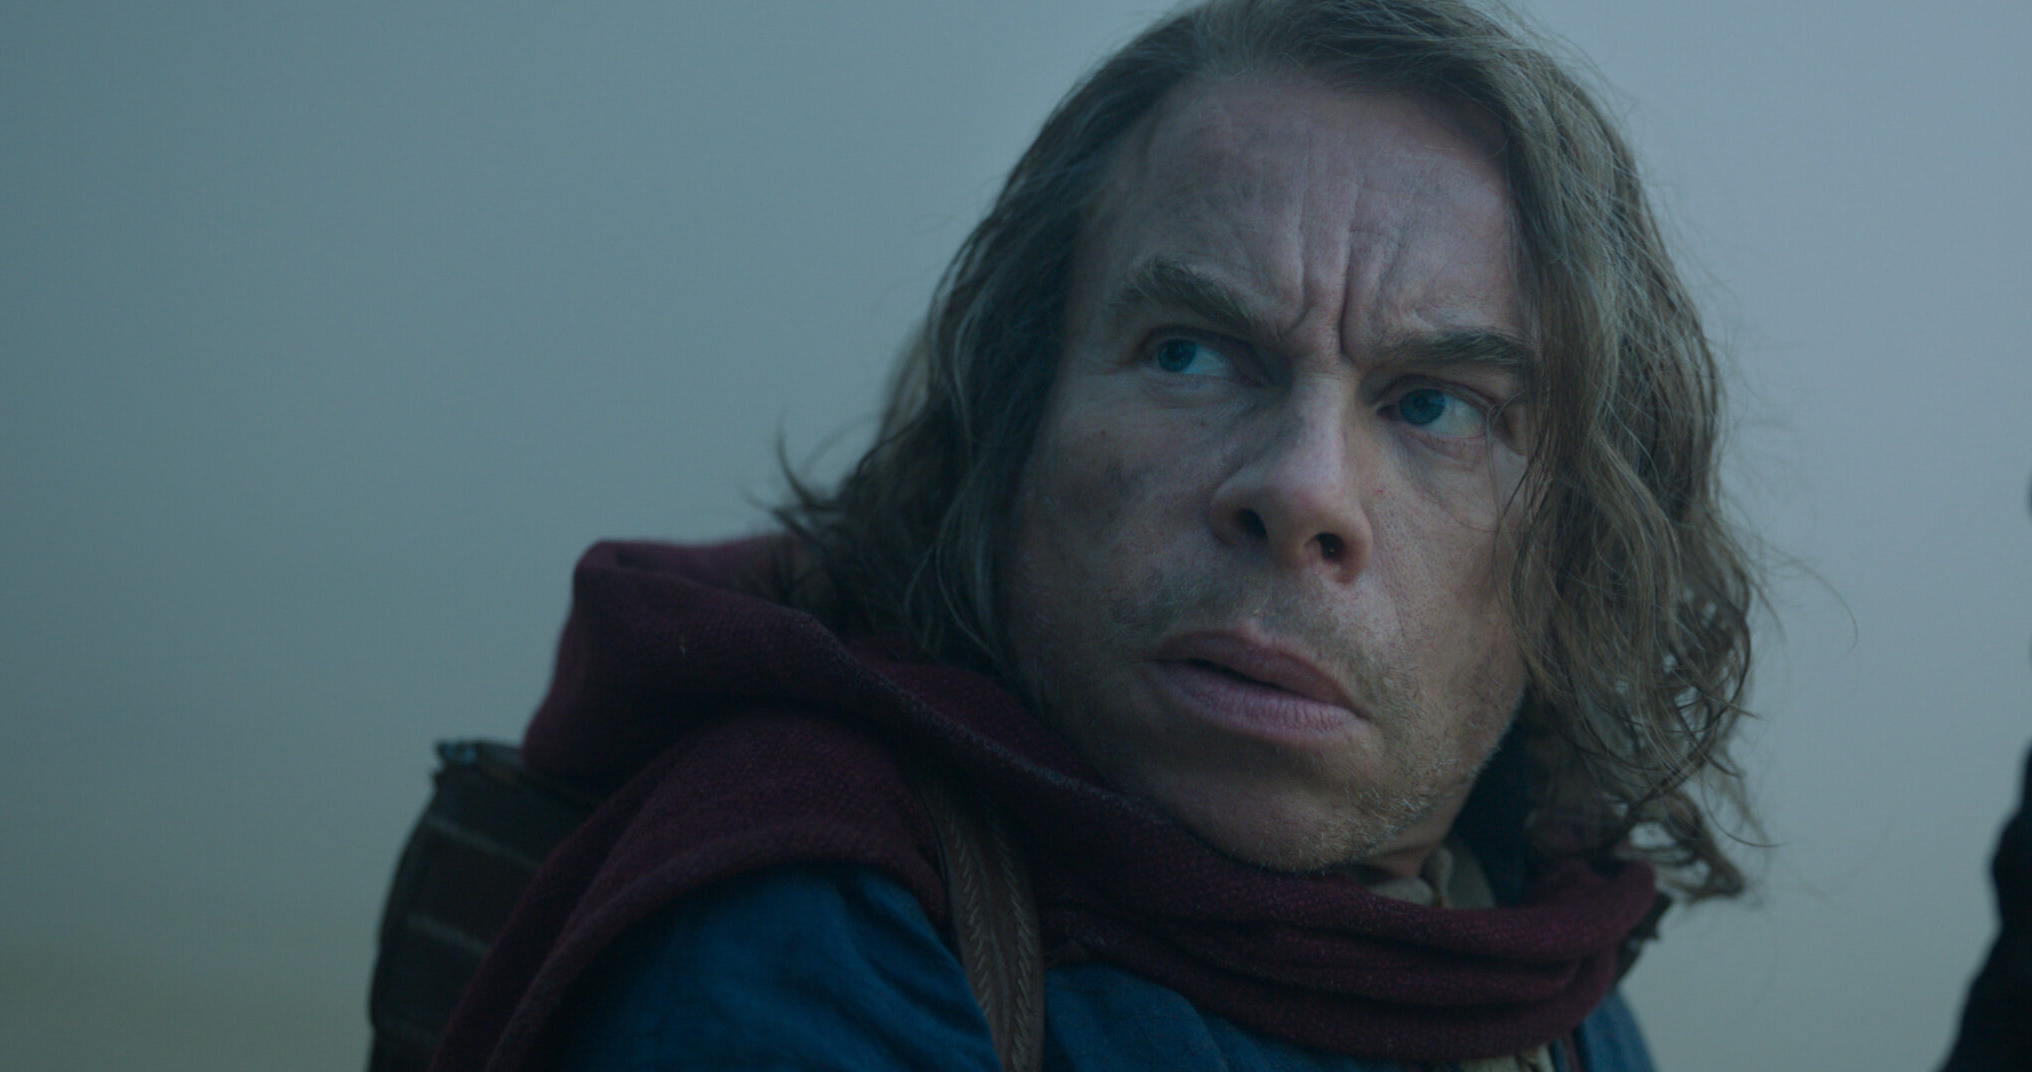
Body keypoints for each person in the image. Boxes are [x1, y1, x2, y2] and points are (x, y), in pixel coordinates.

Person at [429, 0, 1754, 1068]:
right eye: (1189, 353)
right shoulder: (816, 927)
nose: (1303, 491)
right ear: (1016, 426)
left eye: (1436, 405)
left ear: (1579, 552)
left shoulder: (1535, 966)